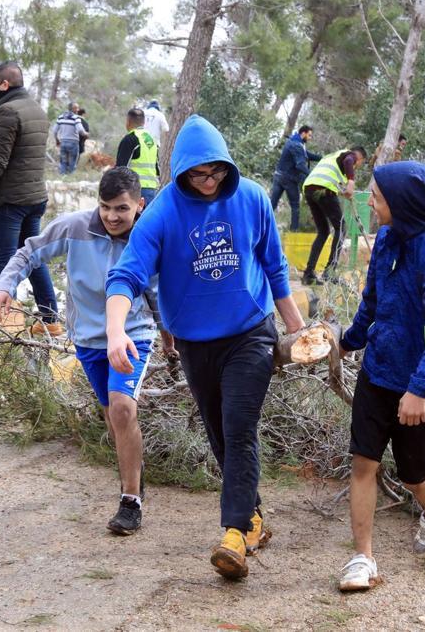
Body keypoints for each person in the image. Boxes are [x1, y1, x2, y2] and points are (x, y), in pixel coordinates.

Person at [104, 115, 306, 580]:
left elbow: (275, 268)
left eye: (216, 172)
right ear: (181, 172)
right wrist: (117, 331)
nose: (209, 182)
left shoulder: (252, 197)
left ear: (227, 167)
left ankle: (234, 533)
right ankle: (253, 517)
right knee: (218, 431)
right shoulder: (163, 212)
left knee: (238, 427)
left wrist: (297, 333)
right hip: (195, 342)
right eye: (198, 174)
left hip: (250, 333)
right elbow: (126, 277)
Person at [0, 167, 168, 533]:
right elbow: (29, 253)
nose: (112, 216)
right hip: (87, 339)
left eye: (121, 208)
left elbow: (155, 289)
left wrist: (168, 331)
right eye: (105, 207)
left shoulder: (147, 238)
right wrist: (3, 287)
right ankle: (133, 473)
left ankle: (130, 501)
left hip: (133, 333)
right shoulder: (74, 228)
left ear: (139, 205)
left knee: (122, 406)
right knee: (111, 413)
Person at [336, 161, 425, 592]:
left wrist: (420, 389)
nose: (370, 202)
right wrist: (346, 341)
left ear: (402, 204)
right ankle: (362, 558)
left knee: (412, 474)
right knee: (363, 462)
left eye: (376, 196)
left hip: (419, 387)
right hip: (377, 371)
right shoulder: (387, 239)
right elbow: (372, 301)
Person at [0, 61, 60, 335]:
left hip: (11, 202)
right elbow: (20, 159)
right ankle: (51, 320)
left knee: (6, 260)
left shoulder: (6, 112)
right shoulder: (36, 109)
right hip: (34, 197)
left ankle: (8, 326)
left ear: (4, 84)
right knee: (34, 257)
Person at [300, 146, 367, 285]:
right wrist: (351, 182)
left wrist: (344, 192)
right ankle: (329, 272)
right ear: (359, 158)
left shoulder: (332, 156)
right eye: (360, 163)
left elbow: (334, 183)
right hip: (323, 189)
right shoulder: (349, 155)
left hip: (309, 189)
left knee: (323, 232)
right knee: (341, 228)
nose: (357, 166)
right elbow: (349, 160)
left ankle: (308, 274)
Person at [270, 125, 321, 231]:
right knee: (295, 206)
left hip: (278, 176)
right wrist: (312, 175)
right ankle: (294, 231)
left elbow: (305, 154)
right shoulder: (297, 145)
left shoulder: (293, 141)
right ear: (303, 133)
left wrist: (321, 158)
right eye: (309, 135)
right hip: (289, 179)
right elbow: (300, 165)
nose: (310, 138)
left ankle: (259, 226)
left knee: (271, 205)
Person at [115, 108, 160, 205]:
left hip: (134, 189)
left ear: (128, 121)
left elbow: (121, 168)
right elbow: (157, 167)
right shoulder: (151, 140)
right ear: (144, 122)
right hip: (151, 189)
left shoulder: (130, 139)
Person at [53, 103, 87, 175]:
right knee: (72, 163)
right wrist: (86, 134)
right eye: (76, 108)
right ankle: (70, 178)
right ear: (73, 109)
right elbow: (80, 130)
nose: (78, 110)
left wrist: (57, 140)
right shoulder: (76, 118)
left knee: (63, 162)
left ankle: (62, 178)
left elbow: (54, 130)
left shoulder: (61, 117)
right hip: (73, 143)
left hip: (63, 142)